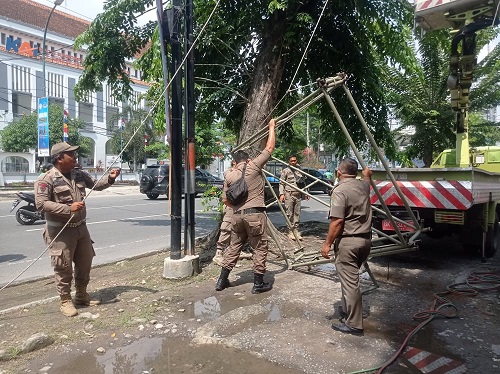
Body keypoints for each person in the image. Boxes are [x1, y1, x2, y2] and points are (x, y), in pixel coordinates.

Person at [34, 142, 121, 317]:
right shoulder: (46, 179)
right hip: (60, 231)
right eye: (71, 155)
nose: (75, 157)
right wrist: (68, 208)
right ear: (59, 158)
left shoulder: (78, 174)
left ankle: (81, 295)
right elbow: (41, 204)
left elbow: (96, 184)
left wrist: (110, 178)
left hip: (81, 229)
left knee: (84, 263)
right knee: (63, 267)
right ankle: (65, 301)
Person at [215, 118, 276, 294]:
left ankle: (221, 281)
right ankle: (258, 284)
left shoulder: (229, 175)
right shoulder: (253, 167)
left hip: (236, 216)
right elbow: (269, 148)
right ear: (247, 160)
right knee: (259, 247)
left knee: (234, 247)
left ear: (235, 162)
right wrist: (271, 127)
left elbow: (225, 200)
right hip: (255, 215)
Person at [321, 157, 372, 336]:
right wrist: (367, 176)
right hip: (365, 241)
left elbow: (337, 221)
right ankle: (346, 309)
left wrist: (327, 244)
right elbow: (366, 180)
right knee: (350, 278)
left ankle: (354, 324)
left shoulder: (340, 190)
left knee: (350, 283)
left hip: (349, 242)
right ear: (356, 173)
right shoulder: (363, 186)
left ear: (338, 173)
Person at [213, 161, 236, 266]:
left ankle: (233, 251)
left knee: (236, 229)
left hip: (237, 205)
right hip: (230, 205)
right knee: (226, 228)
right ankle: (218, 253)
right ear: (234, 162)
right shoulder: (229, 172)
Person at [279, 155, 307, 240]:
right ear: (289, 162)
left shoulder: (300, 170)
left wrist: (305, 192)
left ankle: (296, 231)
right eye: (291, 161)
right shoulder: (286, 171)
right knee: (289, 214)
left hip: (298, 195)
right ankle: (290, 231)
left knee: (297, 214)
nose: (293, 162)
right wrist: (281, 194)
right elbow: (281, 183)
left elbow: (303, 182)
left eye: (294, 160)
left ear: (296, 161)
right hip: (289, 194)